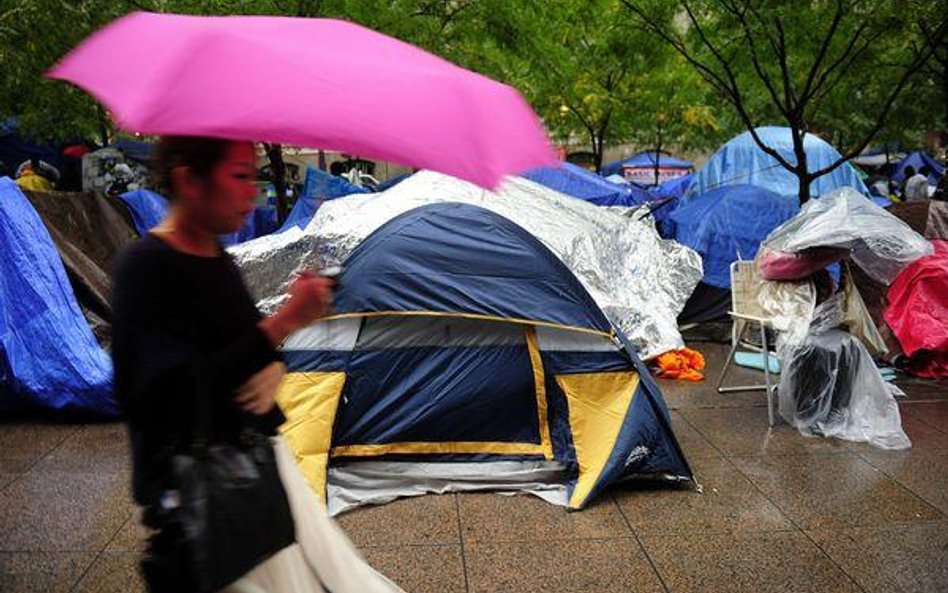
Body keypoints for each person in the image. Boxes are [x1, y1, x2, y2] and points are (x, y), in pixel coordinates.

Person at [112, 137, 341, 592]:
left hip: (251, 483)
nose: (252, 192)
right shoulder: (146, 268)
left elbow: (243, 347)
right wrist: (284, 322)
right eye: (239, 175)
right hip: (202, 501)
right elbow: (166, 397)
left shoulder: (215, 256)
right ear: (188, 180)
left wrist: (274, 360)